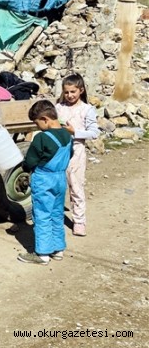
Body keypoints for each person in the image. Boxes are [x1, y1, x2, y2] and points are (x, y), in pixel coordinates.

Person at [17, 100, 73, 265]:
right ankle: (58, 249)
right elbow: (71, 154)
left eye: (37, 123)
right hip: (60, 178)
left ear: (45, 119)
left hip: (44, 179)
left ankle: (42, 253)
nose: (37, 127)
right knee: (57, 213)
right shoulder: (67, 135)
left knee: (42, 214)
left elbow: (31, 160)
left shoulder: (42, 138)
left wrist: (25, 167)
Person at [55, 73, 100, 237]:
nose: (69, 95)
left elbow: (94, 133)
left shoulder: (87, 109)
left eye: (73, 92)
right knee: (57, 186)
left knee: (76, 187)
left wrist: (75, 132)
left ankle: (79, 221)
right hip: (59, 151)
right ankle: (55, 217)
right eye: (66, 92)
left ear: (81, 90)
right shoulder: (59, 108)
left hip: (77, 151)